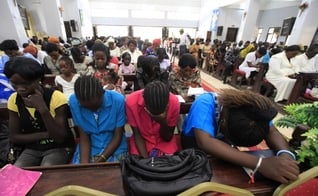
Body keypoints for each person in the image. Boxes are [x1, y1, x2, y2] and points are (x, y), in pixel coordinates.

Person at [181, 89, 299, 183]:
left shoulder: (254, 111)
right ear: (223, 122)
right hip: (194, 143)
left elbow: (272, 131)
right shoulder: (205, 102)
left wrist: (285, 154)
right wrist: (260, 164)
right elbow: (205, 142)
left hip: (221, 143)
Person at [4, 57, 74, 167]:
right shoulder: (14, 100)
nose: (20, 89)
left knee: (47, 170)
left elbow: (60, 138)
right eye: (14, 84)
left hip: (58, 148)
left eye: (25, 83)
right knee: (18, 172)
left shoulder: (56, 97)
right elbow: (15, 137)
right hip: (32, 149)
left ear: (38, 80)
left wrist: (43, 109)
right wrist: (46, 134)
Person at [69, 76, 127, 164]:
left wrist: (99, 161)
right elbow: (83, 135)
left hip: (115, 147)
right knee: (81, 175)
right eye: (85, 107)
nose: (92, 109)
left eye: (95, 105)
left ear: (102, 94)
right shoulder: (74, 101)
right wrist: (84, 165)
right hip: (90, 147)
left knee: (113, 174)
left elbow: (117, 135)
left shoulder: (117, 100)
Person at [125, 81, 180, 157]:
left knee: (169, 165)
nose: (155, 115)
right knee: (138, 164)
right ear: (144, 100)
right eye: (152, 112)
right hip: (142, 142)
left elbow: (167, 137)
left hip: (164, 143)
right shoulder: (131, 101)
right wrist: (146, 161)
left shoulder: (174, 102)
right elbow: (137, 135)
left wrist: (162, 121)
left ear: (167, 103)